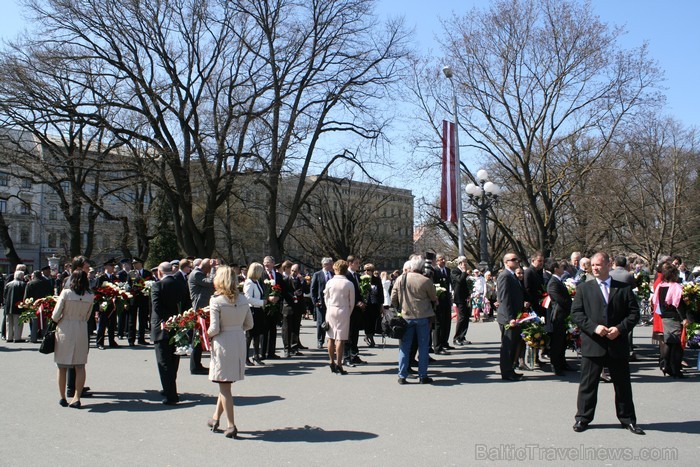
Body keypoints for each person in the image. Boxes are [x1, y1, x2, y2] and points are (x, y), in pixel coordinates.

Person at [571, 252, 643, 435]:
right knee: (588, 385)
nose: (594, 268)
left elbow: (634, 314)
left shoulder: (623, 288)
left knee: (622, 385)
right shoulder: (584, 289)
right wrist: (594, 328)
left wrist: (619, 329)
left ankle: (628, 419)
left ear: (608, 265)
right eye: (592, 265)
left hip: (616, 343)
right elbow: (577, 314)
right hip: (593, 343)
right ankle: (583, 418)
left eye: (598, 265)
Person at [206, 266, 254, 439]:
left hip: (223, 342)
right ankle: (215, 418)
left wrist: (204, 333)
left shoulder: (216, 300)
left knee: (224, 386)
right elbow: (249, 324)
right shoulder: (243, 299)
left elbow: (214, 328)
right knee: (225, 384)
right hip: (239, 340)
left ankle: (231, 425)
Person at [391, 255, 438, 385]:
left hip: (406, 316)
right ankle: (423, 375)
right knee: (423, 347)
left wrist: (399, 308)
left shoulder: (401, 279)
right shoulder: (425, 281)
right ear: (422, 267)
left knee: (404, 347)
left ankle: (402, 375)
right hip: (423, 316)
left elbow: (393, 298)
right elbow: (434, 297)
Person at [52, 269, 94, 409]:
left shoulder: (66, 293)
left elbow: (56, 314)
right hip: (81, 328)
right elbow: (88, 316)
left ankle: (62, 397)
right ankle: (76, 397)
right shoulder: (90, 295)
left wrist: (58, 319)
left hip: (65, 327)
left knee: (62, 365)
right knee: (80, 365)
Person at [151, 262, 188, 405]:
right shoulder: (181, 284)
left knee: (163, 361)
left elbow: (157, 307)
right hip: (178, 325)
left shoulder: (158, 285)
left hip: (162, 327)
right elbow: (187, 305)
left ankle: (171, 395)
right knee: (174, 360)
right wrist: (178, 319)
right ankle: (170, 388)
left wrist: (167, 320)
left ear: (160, 272)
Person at [652, 263, 689, 378]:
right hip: (674, 316)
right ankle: (675, 368)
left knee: (668, 341)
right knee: (677, 344)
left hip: (664, 316)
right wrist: (684, 318)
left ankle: (665, 365)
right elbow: (678, 304)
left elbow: (656, 301)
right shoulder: (676, 287)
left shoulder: (661, 286)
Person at [496, 253, 526, 381]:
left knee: (513, 345)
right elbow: (505, 298)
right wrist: (510, 318)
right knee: (507, 347)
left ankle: (511, 370)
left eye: (517, 259)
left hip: (516, 315)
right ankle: (507, 372)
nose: (517, 261)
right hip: (508, 317)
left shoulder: (512, 275)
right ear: (506, 262)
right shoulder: (505, 276)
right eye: (513, 260)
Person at [323, 260, 355, 375]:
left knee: (330, 337)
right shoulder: (349, 283)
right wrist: (348, 312)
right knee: (340, 338)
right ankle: (339, 364)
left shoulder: (330, 282)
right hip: (343, 309)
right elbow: (352, 301)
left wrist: (329, 307)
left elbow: (326, 297)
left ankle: (331, 362)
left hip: (331, 309)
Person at [544, 258, 573, 376]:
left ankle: (562, 363)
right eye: (561, 267)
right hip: (558, 315)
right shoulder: (553, 282)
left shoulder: (558, 280)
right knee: (557, 342)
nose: (563, 269)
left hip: (563, 314)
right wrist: (571, 305)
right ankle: (556, 366)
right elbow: (559, 300)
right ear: (555, 269)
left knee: (562, 341)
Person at [188, 258, 215, 375]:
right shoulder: (196, 274)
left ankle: (197, 364)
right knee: (197, 339)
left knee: (199, 338)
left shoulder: (200, 273)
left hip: (204, 309)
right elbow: (211, 282)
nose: (209, 272)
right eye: (209, 269)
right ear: (205, 268)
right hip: (199, 310)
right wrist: (214, 269)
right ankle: (195, 366)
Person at [243, 262, 267, 365]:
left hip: (258, 310)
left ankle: (256, 355)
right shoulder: (249, 282)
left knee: (257, 335)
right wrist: (261, 302)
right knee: (249, 335)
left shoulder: (256, 282)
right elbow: (247, 298)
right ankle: (245, 357)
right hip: (252, 310)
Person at [24, 270, 54, 343]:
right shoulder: (47, 282)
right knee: (45, 322)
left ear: (34, 275)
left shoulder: (30, 283)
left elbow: (26, 295)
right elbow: (51, 293)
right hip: (45, 304)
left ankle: (33, 338)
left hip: (34, 304)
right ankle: (45, 338)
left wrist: (26, 304)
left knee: (34, 322)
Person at [311, 258, 334, 349]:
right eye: (330, 264)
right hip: (320, 302)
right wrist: (315, 301)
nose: (331, 266)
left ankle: (331, 340)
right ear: (324, 265)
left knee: (331, 322)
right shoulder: (317, 274)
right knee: (321, 322)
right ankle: (320, 340)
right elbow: (313, 289)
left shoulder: (333, 275)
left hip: (331, 302)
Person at [432, 254, 452, 353]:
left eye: (444, 259)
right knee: (438, 323)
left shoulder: (447, 270)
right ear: (437, 261)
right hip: (438, 300)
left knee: (446, 322)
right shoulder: (434, 271)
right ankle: (437, 346)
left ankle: (444, 342)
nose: (443, 261)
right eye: (441, 259)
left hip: (446, 299)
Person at [451, 256, 472, 346]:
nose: (466, 264)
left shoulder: (465, 273)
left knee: (466, 317)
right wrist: (464, 272)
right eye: (464, 262)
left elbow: (466, 282)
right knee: (462, 317)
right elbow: (460, 280)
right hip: (459, 297)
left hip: (466, 296)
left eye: (466, 262)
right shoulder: (454, 271)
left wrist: (470, 289)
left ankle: (463, 336)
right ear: (460, 263)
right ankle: (457, 337)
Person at [362, 263, 384, 348]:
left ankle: (369, 336)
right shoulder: (362, 279)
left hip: (375, 304)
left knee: (374, 322)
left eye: (370, 270)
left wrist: (381, 305)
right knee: (367, 322)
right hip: (365, 304)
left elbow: (380, 293)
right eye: (366, 270)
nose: (367, 272)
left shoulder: (377, 280)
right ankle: (370, 339)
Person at [3, 271, 27, 342]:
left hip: (8, 306)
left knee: (9, 322)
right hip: (18, 306)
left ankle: (8, 337)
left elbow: (4, 295)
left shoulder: (8, 284)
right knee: (18, 323)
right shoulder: (23, 284)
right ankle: (17, 337)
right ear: (22, 276)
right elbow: (25, 296)